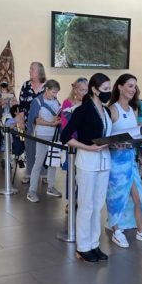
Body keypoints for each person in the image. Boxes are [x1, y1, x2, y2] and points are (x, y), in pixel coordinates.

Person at [60, 73, 112, 263]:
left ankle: (94, 243)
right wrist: (87, 147)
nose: (108, 92)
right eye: (105, 89)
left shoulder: (106, 111)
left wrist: (115, 142)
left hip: (104, 162)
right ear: (94, 90)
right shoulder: (82, 110)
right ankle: (83, 247)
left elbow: (106, 134)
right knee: (86, 205)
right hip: (87, 162)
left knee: (98, 205)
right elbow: (65, 136)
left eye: (109, 89)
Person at [106, 74, 142, 248]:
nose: (133, 89)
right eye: (130, 86)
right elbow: (105, 136)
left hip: (130, 160)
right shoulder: (112, 110)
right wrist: (114, 144)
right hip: (116, 162)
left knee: (140, 198)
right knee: (117, 198)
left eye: (134, 86)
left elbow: (132, 133)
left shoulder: (131, 110)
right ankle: (116, 232)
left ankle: (141, 231)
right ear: (120, 87)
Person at [26, 79, 62, 203]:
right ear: (46, 89)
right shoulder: (37, 101)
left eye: (56, 92)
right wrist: (52, 123)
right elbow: (36, 120)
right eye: (53, 92)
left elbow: (58, 117)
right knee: (39, 162)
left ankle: (51, 187)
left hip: (54, 135)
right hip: (42, 134)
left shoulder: (56, 101)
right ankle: (31, 191)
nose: (55, 95)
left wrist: (56, 121)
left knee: (53, 161)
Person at [61, 77, 88, 210]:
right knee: (71, 172)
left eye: (86, 90)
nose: (84, 93)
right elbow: (65, 125)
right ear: (75, 90)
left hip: (86, 142)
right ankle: (71, 200)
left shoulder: (89, 103)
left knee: (84, 173)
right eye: (82, 90)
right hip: (73, 142)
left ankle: (81, 198)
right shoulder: (67, 103)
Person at [19, 62, 46, 183]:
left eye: (32, 69)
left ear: (39, 71)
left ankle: (44, 174)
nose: (30, 71)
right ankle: (29, 173)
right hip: (28, 123)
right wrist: (21, 121)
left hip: (44, 123)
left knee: (43, 149)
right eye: (30, 69)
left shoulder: (47, 86)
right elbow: (21, 105)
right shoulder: (26, 85)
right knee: (29, 149)